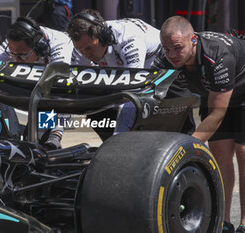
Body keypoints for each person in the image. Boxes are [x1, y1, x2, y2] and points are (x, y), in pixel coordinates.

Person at [153, 15, 245, 233]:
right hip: (213, 91)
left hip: (242, 89)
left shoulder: (217, 55)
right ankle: (224, 222)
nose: (172, 55)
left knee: (243, 152)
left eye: (177, 48)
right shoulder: (164, 57)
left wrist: (184, 148)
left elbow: (217, 113)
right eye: (167, 49)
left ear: (193, 40)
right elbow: (154, 97)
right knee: (220, 153)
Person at [0, 16, 74, 150]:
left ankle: (54, 136)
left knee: (44, 136)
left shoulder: (61, 43)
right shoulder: (15, 45)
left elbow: (56, 85)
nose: (16, 60)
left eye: (22, 56)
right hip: (39, 81)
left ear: (40, 48)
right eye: (13, 55)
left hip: (62, 86)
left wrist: (49, 132)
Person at [66, 9, 161, 136]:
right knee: (94, 110)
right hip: (123, 71)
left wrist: (116, 140)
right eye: (80, 50)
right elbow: (71, 86)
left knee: (133, 105)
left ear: (103, 37)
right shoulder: (84, 45)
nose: (86, 54)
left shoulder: (129, 40)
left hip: (155, 65)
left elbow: (132, 93)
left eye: (89, 48)